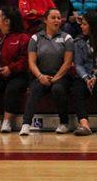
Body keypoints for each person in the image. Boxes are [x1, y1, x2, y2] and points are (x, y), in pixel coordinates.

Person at [19, 8, 74, 136]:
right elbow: (31, 62)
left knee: (58, 89)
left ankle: (64, 123)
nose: (57, 20)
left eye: (59, 18)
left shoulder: (67, 38)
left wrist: (55, 78)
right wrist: (40, 76)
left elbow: (67, 63)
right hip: (41, 75)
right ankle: (26, 124)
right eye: (53, 18)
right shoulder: (35, 38)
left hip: (61, 76)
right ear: (45, 20)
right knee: (36, 88)